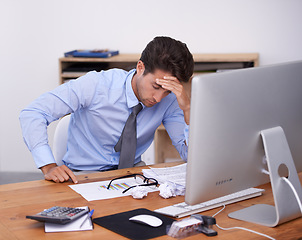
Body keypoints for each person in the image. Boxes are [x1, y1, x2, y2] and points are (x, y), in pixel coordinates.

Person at [19, 36, 194, 183]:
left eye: (168, 91)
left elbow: (190, 157)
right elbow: (33, 113)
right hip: (83, 176)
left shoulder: (170, 102)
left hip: (133, 176)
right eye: (156, 86)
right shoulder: (96, 85)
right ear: (140, 67)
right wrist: (48, 166)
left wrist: (187, 109)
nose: (158, 99)